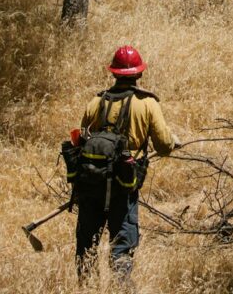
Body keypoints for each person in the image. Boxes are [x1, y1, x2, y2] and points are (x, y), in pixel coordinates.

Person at [74, 45, 178, 285]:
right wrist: (172, 142)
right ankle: (121, 289)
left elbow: (81, 141)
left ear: (114, 73)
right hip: (124, 185)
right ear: (139, 74)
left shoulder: (95, 102)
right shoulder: (148, 104)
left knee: (86, 244)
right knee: (122, 246)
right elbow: (163, 146)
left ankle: (86, 288)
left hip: (92, 184)